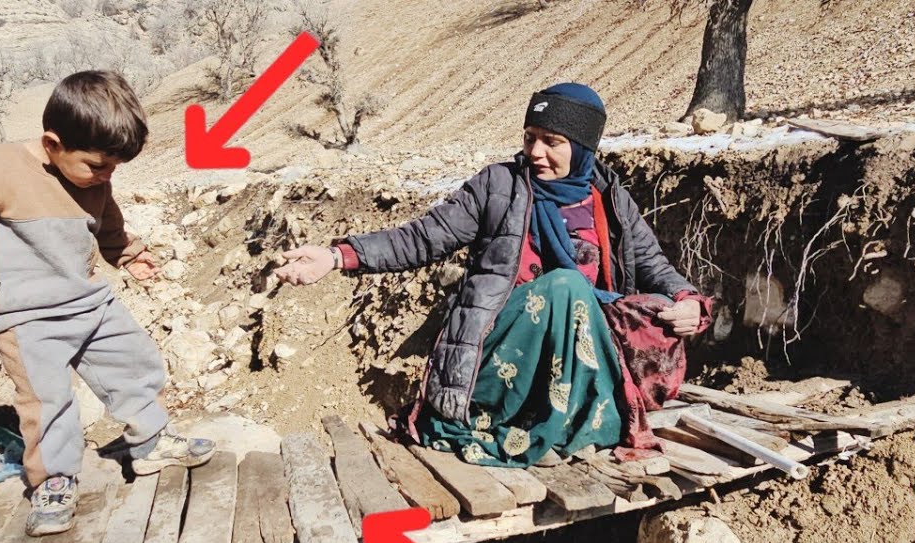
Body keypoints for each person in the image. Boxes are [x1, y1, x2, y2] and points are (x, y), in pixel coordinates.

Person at [274, 83, 711, 467]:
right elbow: (423, 238)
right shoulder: (498, 186)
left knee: (644, 309)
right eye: (529, 138)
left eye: (551, 142)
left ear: (581, 148)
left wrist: (688, 300)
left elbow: (654, 266)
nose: (535, 152)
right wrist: (336, 256)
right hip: (503, 347)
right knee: (566, 285)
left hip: (578, 343)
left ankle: (580, 417)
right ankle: (538, 421)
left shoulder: (608, 198)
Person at [0, 71, 215, 536]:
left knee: (134, 363)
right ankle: (55, 479)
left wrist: (129, 255)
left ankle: (150, 443)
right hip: (27, 317)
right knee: (48, 400)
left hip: (89, 300)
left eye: (113, 169)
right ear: (52, 143)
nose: (105, 177)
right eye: (98, 166)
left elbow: (107, 225)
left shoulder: (94, 179)